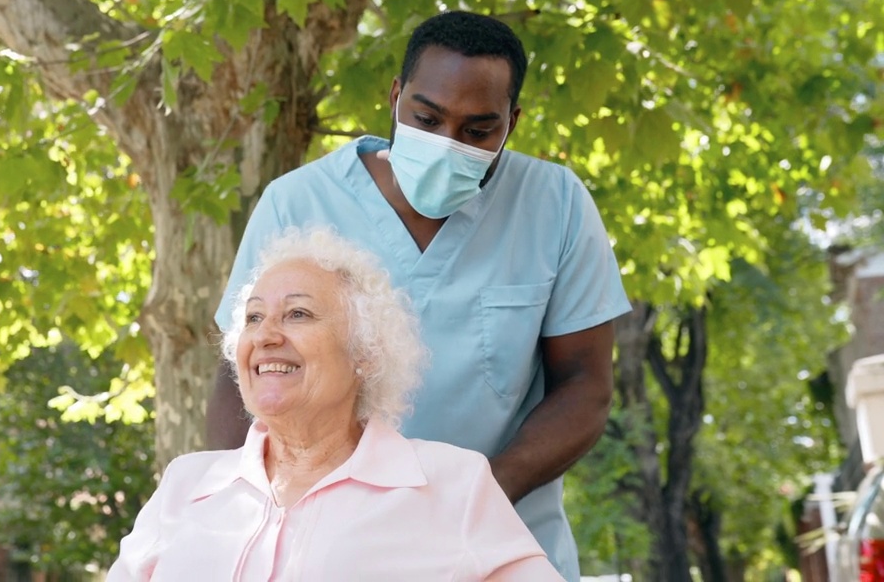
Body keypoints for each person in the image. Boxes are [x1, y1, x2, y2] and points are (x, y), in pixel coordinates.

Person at [207, 10, 632, 581]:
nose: (446, 143)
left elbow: (584, 386)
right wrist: (245, 525)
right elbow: (244, 381)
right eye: (426, 118)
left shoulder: (554, 204)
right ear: (396, 96)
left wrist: (468, 501)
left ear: (513, 122)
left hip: (502, 542)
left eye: (478, 131)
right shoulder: (296, 204)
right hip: (324, 551)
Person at [110, 228, 563, 581]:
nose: (266, 335)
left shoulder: (453, 485)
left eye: (298, 314)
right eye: (253, 318)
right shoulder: (186, 484)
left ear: (363, 353)